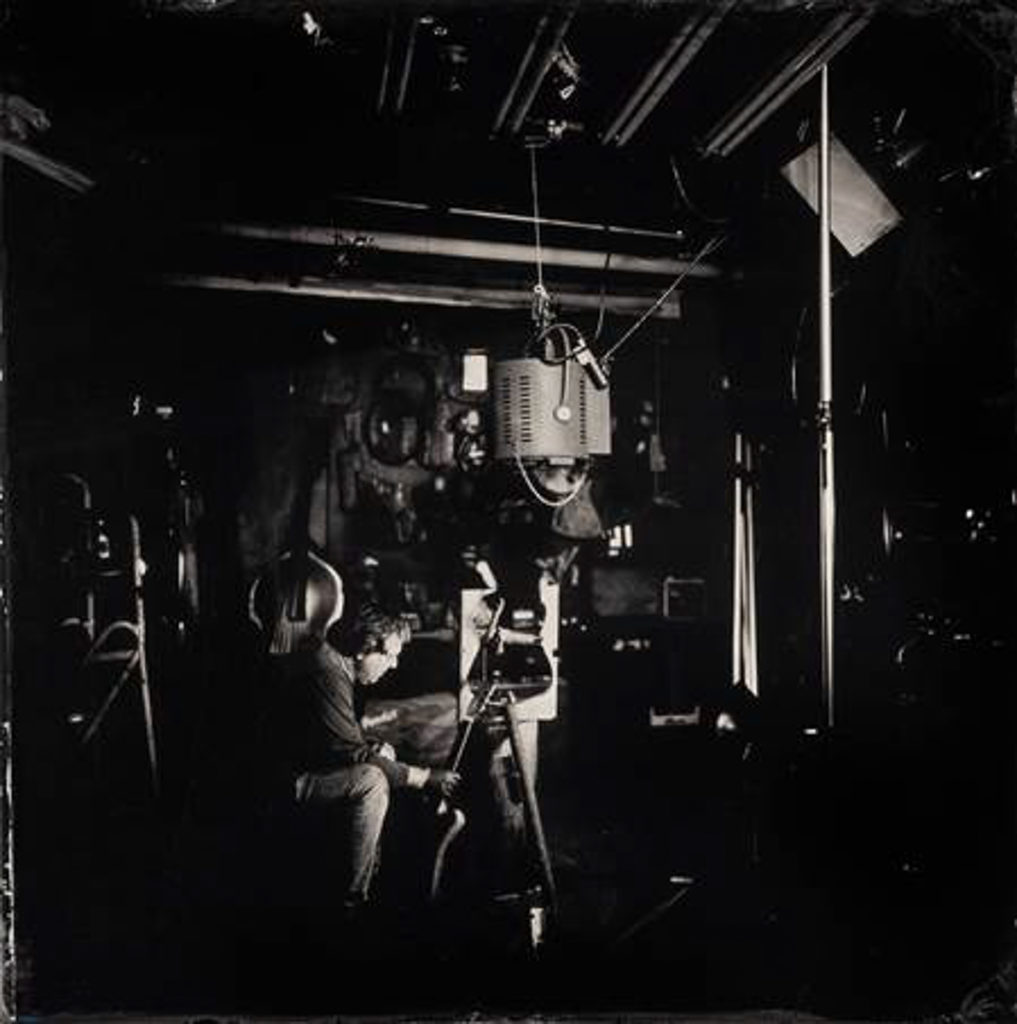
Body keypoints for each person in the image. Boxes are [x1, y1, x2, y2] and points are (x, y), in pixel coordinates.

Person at [261, 568, 460, 910]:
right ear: (365, 648)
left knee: (382, 752)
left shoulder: (339, 668)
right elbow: (350, 753)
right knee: (370, 779)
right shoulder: (327, 669)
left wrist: (378, 752)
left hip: (307, 768)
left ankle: (374, 873)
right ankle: (353, 901)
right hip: (281, 782)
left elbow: (342, 742)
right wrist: (424, 777)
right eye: (390, 655)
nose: (393, 665)